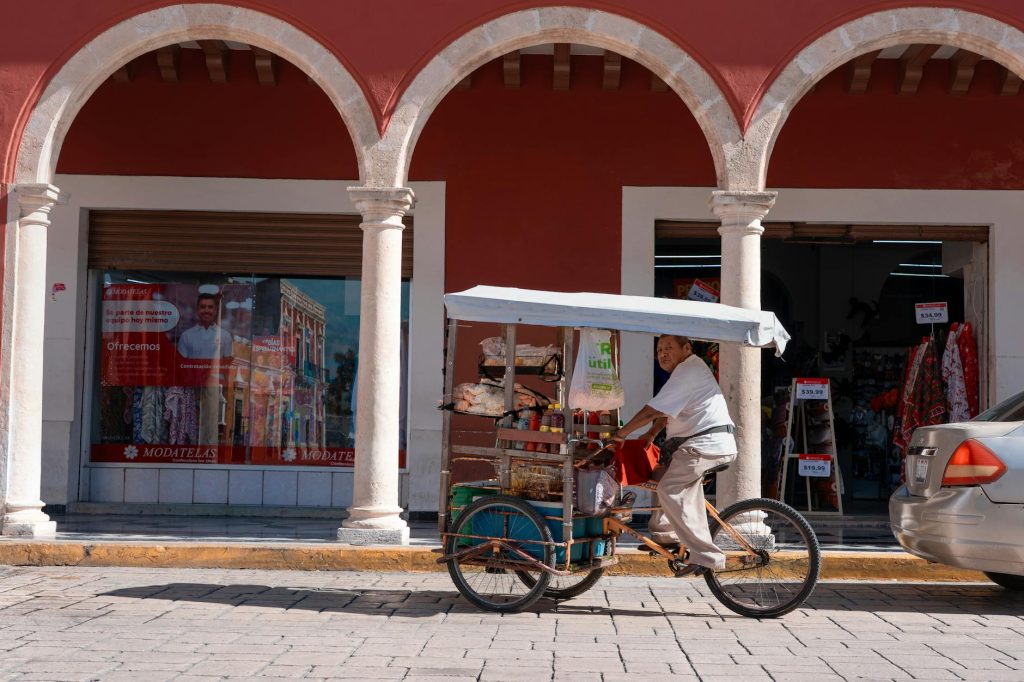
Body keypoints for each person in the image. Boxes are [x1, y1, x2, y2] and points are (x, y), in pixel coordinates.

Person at [609, 335, 736, 576]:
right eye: (659, 350)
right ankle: (666, 536)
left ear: (686, 348)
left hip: (704, 445)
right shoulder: (685, 372)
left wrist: (623, 433)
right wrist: (651, 433)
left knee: (670, 489)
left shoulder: (688, 372)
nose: (662, 354)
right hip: (694, 444)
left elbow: (653, 410)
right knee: (659, 477)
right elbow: (668, 411)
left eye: (669, 348)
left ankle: (706, 555)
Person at [177, 293, 233, 359]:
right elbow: (180, 364)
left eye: (210, 307)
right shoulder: (186, 336)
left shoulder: (225, 336)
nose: (206, 310)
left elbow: (227, 365)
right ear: (197, 310)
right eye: (203, 307)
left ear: (215, 310)